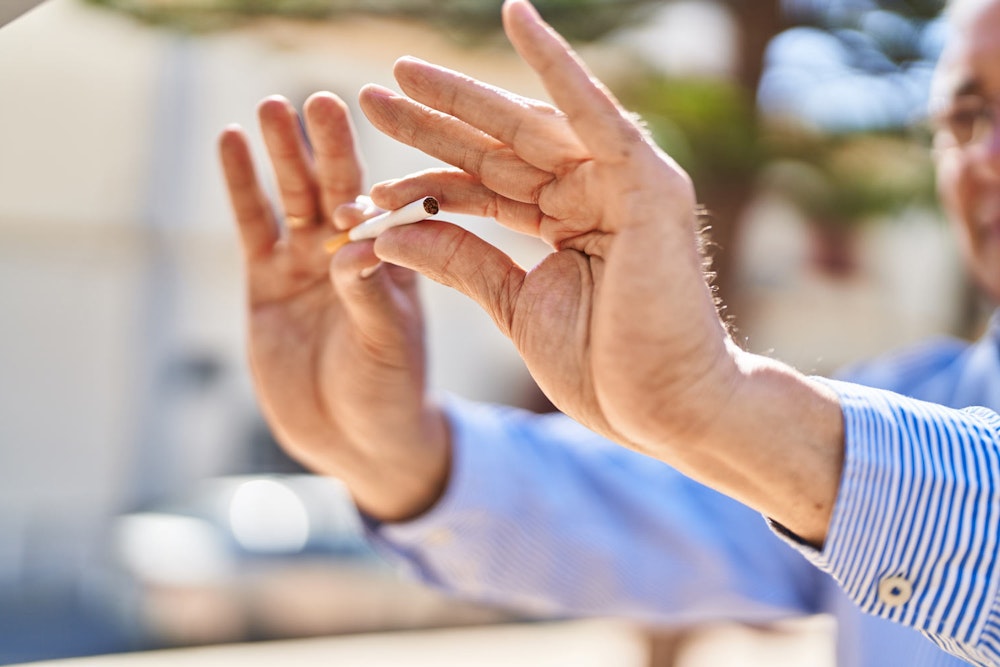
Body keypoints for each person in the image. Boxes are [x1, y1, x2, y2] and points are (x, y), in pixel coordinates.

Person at [218, 0, 1000, 664]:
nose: (990, 154)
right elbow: (654, 512)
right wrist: (397, 452)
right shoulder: (908, 398)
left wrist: (727, 410)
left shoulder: (859, 431)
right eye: (967, 117)